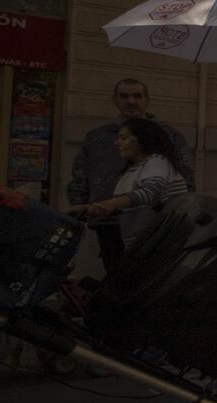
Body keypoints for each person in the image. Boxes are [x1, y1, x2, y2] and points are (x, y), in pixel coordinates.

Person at [69, 78, 194, 264]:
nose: (131, 101)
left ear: (147, 100)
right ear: (115, 100)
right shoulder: (97, 136)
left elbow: (183, 178)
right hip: (108, 222)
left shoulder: (167, 137)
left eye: (137, 96)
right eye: (124, 96)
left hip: (153, 223)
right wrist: (81, 210)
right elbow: (80, 176)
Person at [70, 116, 189, 251]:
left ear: (141, 140)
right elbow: (129, 207)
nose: (117, 143)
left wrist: (112, 203)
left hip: (157, 246)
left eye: (124, 138)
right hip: (140, 246)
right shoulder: (132, 170)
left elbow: (151, 192)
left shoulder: (156, 161)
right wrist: (89, 208)